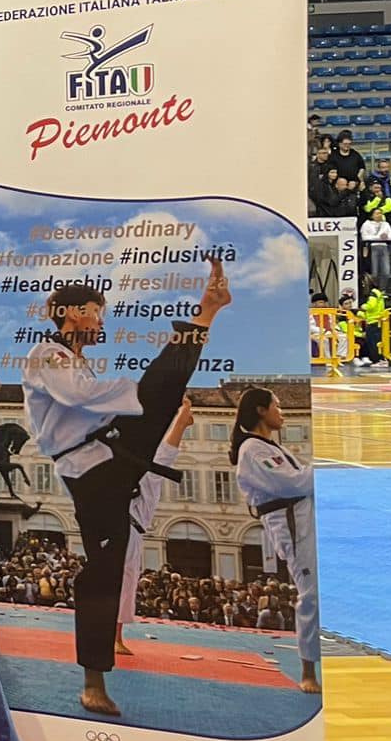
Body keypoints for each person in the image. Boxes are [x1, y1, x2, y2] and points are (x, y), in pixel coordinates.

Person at [20, 264, 230, 716]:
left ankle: (207, 313)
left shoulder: (74, 359)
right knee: (104, 569)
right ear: (71, 313)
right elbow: (79, 396)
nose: (101, 321)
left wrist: (142, 402)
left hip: (110, 454)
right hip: (88, 470)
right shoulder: (46, 354)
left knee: (162, 393)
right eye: (95, 312)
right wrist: (133, 396)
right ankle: (92, 682)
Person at [230, 388, 321, 694]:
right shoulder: (252, 450)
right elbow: (292, 483)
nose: (281, 412)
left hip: (304, 517)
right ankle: (307, 671)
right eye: (277, 406)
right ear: (260, 410)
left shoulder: (271, 447)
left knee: (319, 591)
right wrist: (322, 468)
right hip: (292, 524)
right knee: (311, 594)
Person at [115, 396, 193, 657]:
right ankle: (113, 638)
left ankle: (114, 637)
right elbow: (165, 453)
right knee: (123, 583)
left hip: (127, 528)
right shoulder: (142, 474)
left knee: (123, 583)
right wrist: (180, 420)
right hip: (127, 529)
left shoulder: (132, 471)